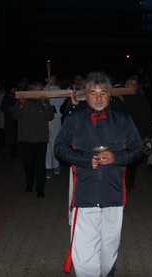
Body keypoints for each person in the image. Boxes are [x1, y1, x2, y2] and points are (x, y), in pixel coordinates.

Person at [54, 71, 144, 277]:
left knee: (109, 248)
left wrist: (117, 157)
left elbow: (138, 149)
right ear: (87, 95)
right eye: (93, 93)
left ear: (109, 95)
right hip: (86, 193)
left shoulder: (123, 120)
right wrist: (85, 160)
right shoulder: (75, 120)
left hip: (113, 194)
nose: (98, 98)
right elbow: (59, 148)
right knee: (85, 252)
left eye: (103, 93)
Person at [13, 81, 54, 197]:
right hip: (26, 138)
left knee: (41, 165)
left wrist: (45, 104)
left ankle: (40, 188)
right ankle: (29, 184)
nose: (40, 92)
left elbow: (50, 116)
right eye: (38, 90)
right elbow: (15, 116)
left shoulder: (45, 101)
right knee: (28, 164)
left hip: (41, 139)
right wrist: (20, 104)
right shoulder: (23, 100)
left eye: (42, 90)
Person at [115, 75, 152, 190]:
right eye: (131, 84)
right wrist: (122, 101)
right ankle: (125, 183)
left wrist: (149, 134)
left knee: (136, 160)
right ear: (126, 85)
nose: (134, 87)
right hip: (124, 135)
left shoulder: (141, 98)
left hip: (138, 133)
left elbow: (147, 115)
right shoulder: (120, 98)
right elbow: (122, 114)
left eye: (136, 84)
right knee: (125, 160)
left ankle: (131, 183)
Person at [45, 74, 63, 178]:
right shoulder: (43, 89)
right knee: (48, 142)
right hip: (46, 120)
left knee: (56, 141)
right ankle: (48, 166)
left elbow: (61, 104)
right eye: (51, 78)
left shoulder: (58, 89)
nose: (53, 79)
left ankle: (56, 164)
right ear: (46, 79)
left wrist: (55, 108)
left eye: (54, 78)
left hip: (56, 119)